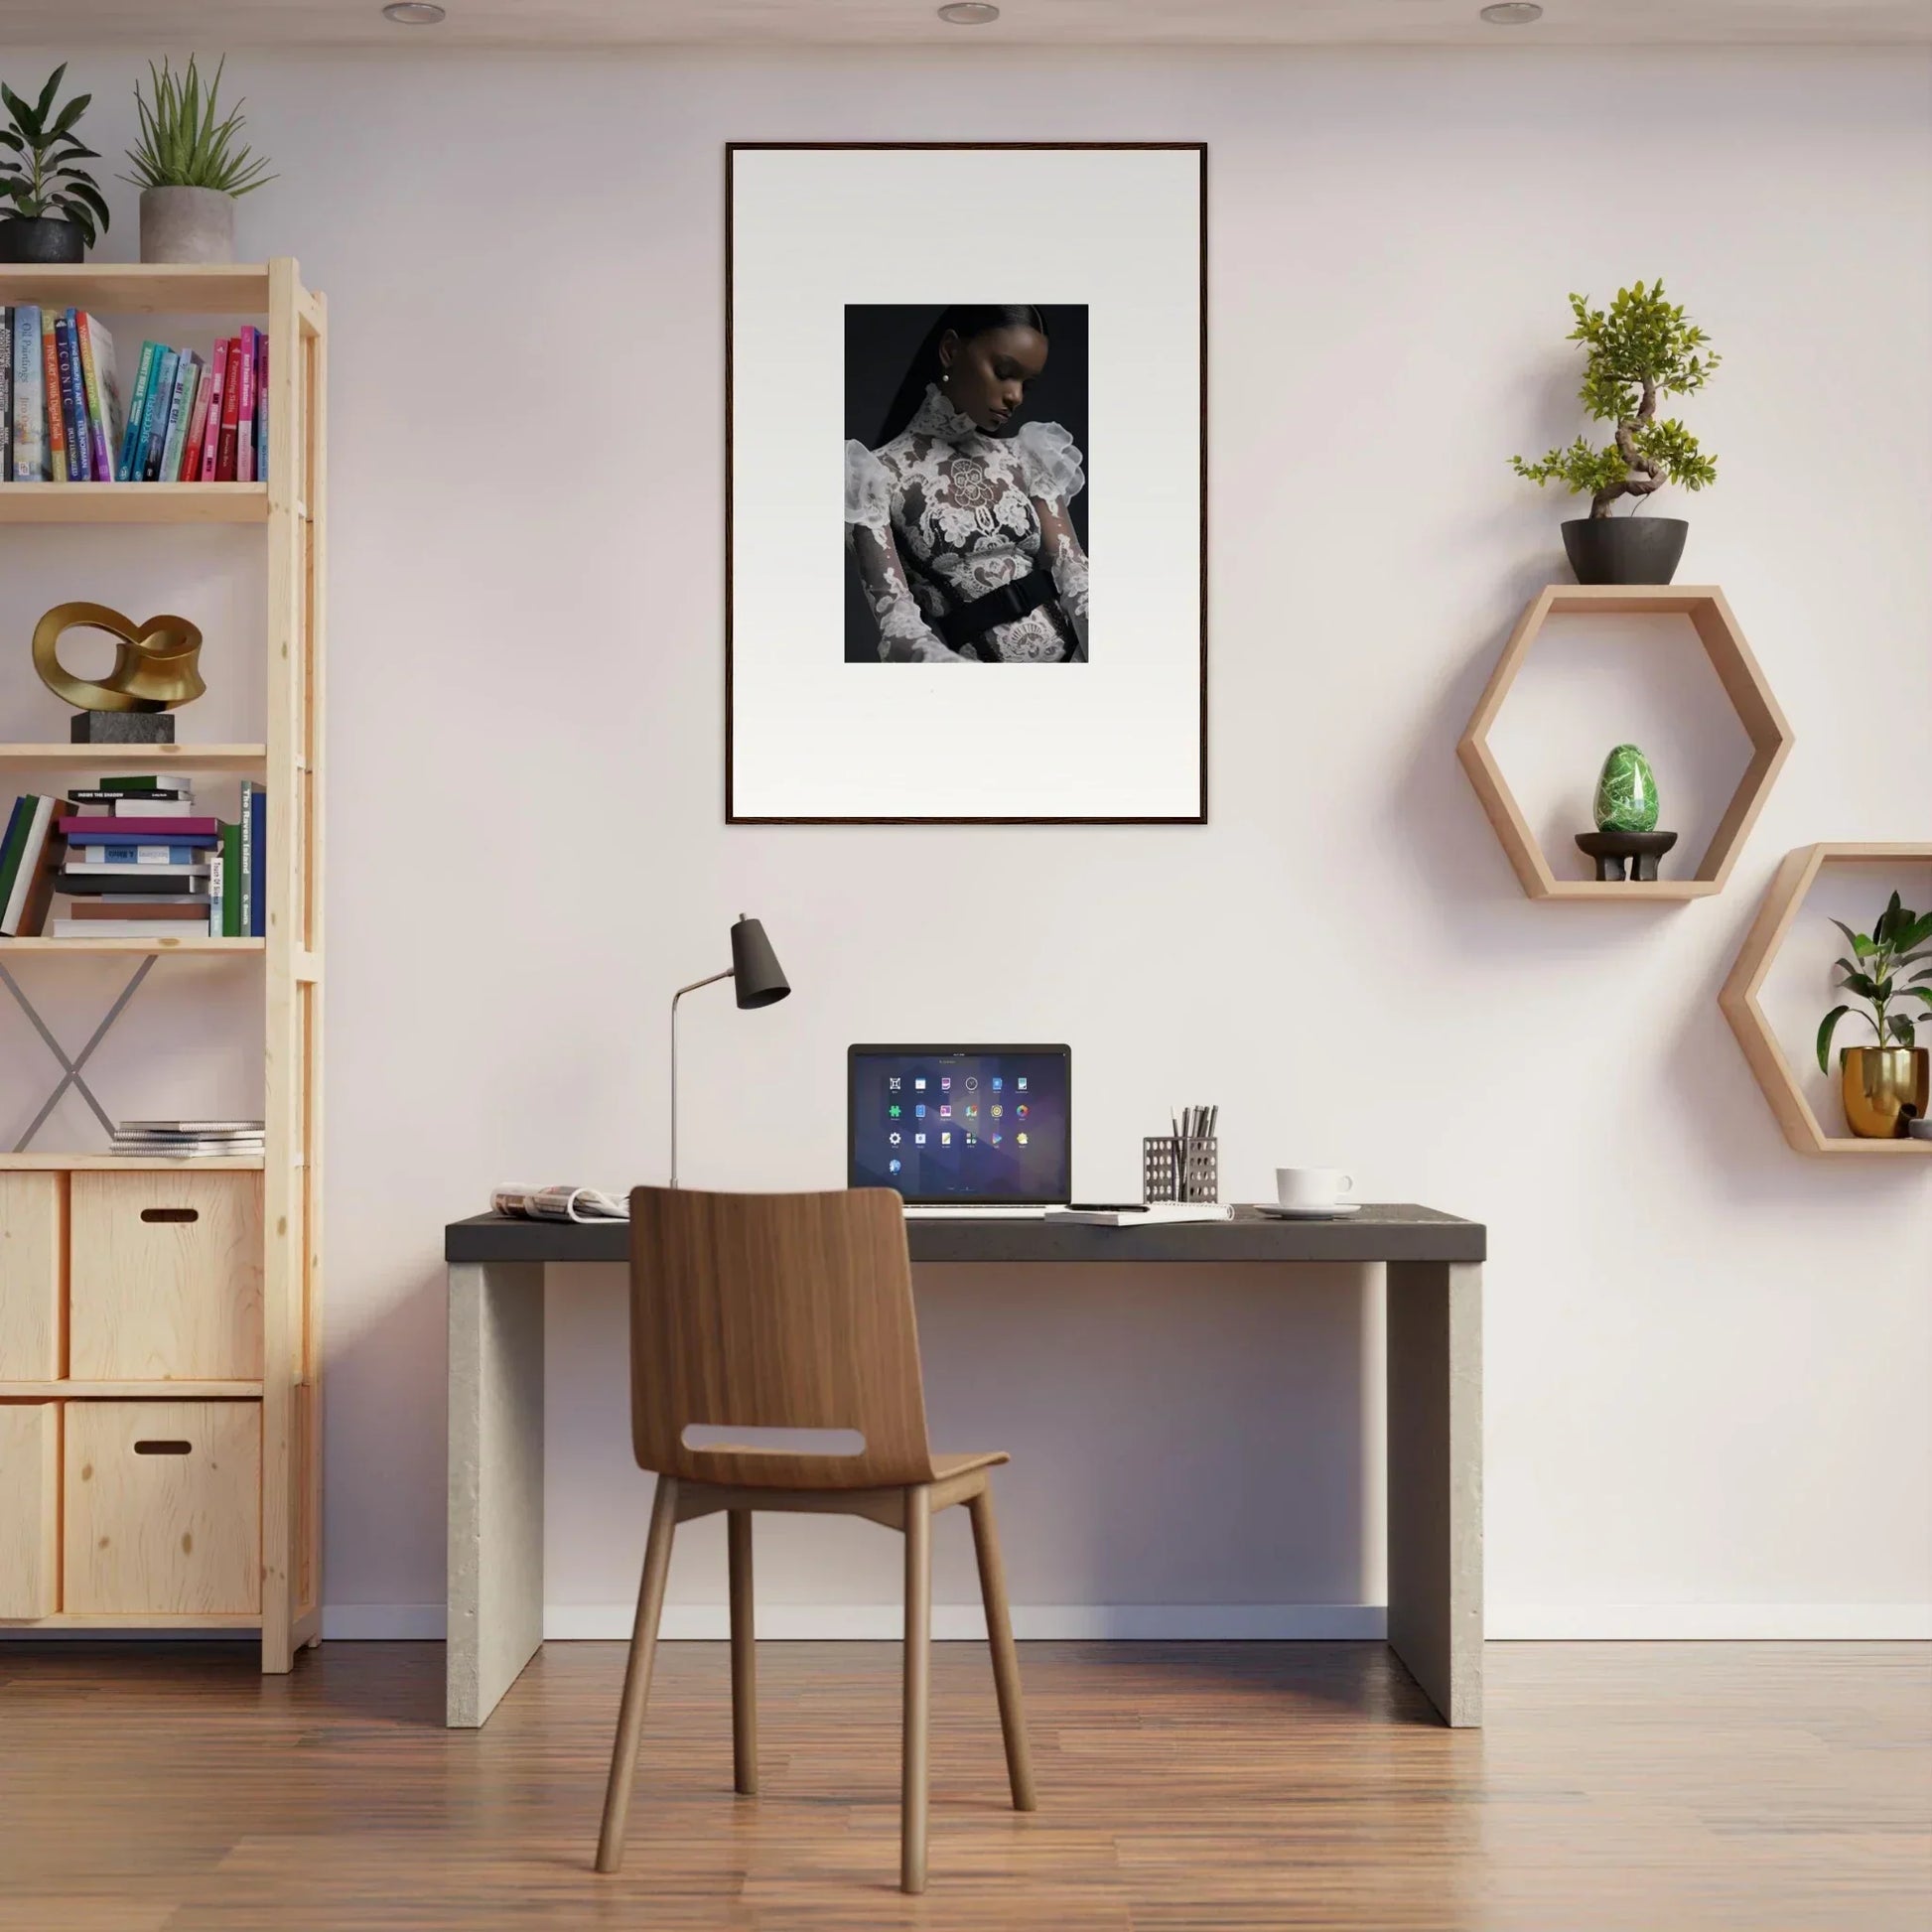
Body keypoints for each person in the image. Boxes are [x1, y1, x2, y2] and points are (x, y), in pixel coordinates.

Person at [844, 305, 1089, 664]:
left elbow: (1073, 570)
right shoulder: (876, 474)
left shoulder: (1027, 455)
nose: (1016, 396)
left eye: (1027, 383)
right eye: (1004, 372)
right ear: (950, 351)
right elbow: (897, 622)